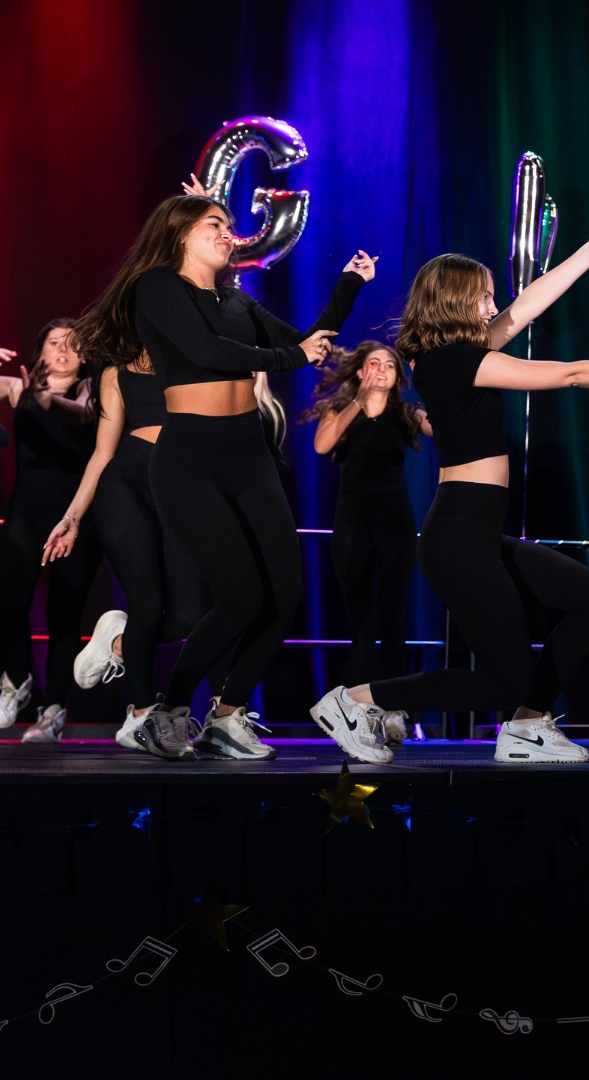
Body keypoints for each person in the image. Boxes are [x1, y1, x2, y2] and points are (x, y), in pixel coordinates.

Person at [310, 215, 589, 765]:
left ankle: (526, 728)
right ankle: (355, 700)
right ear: (455, 302)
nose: (491, 306)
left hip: (474, 531)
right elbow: (572, 373)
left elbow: (525, 307)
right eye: (482, 297)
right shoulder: (456, 361)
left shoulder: (456, 353)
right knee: (503, 681)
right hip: (458, 534)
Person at [69, 186, 372, 760]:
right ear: (181, 233)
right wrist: (290, 359)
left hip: (248, 453)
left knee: (284, 595)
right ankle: (171, 707)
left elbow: (306, 341)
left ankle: (226, 718)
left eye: (229, 224)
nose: (227, 231)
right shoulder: (157, 289)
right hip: (189, 458)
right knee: (238, 596)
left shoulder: (239, 303)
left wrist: (348, 288)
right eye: (214, 222)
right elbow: (208, 351)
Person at [41, 350, 206, 750]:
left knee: (190, 615)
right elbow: (102, 453)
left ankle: (117, 641)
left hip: (183, 491)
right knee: (146, 605)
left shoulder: (196, 354)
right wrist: (73, 517)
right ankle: (140, 713)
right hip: (126, 488)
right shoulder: (117, 371)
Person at [306, 342, 432, 736]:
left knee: (393, 618)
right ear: (360, 372)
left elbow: (440, 427)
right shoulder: (340, 411)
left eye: (388, 366)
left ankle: (395, 709)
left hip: (395, 523)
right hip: (353, 523)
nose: (380, 370)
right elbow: (322, 444)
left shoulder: (407, 414)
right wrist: (358, 403)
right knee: (360, 620)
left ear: (397, 377)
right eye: (373, 364)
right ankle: (361, 709)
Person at [0, 321, 101, 743]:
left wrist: (48, 401)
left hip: (77, 520)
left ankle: (54, 709)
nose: (63, 349)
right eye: (54, 342)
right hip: (27, 513)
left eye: (73, 344)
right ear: (39, 351)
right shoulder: (15, 386)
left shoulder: (94, 389)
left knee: (65, 617)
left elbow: (84, 415)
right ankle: (15, 681)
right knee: (8, 603)